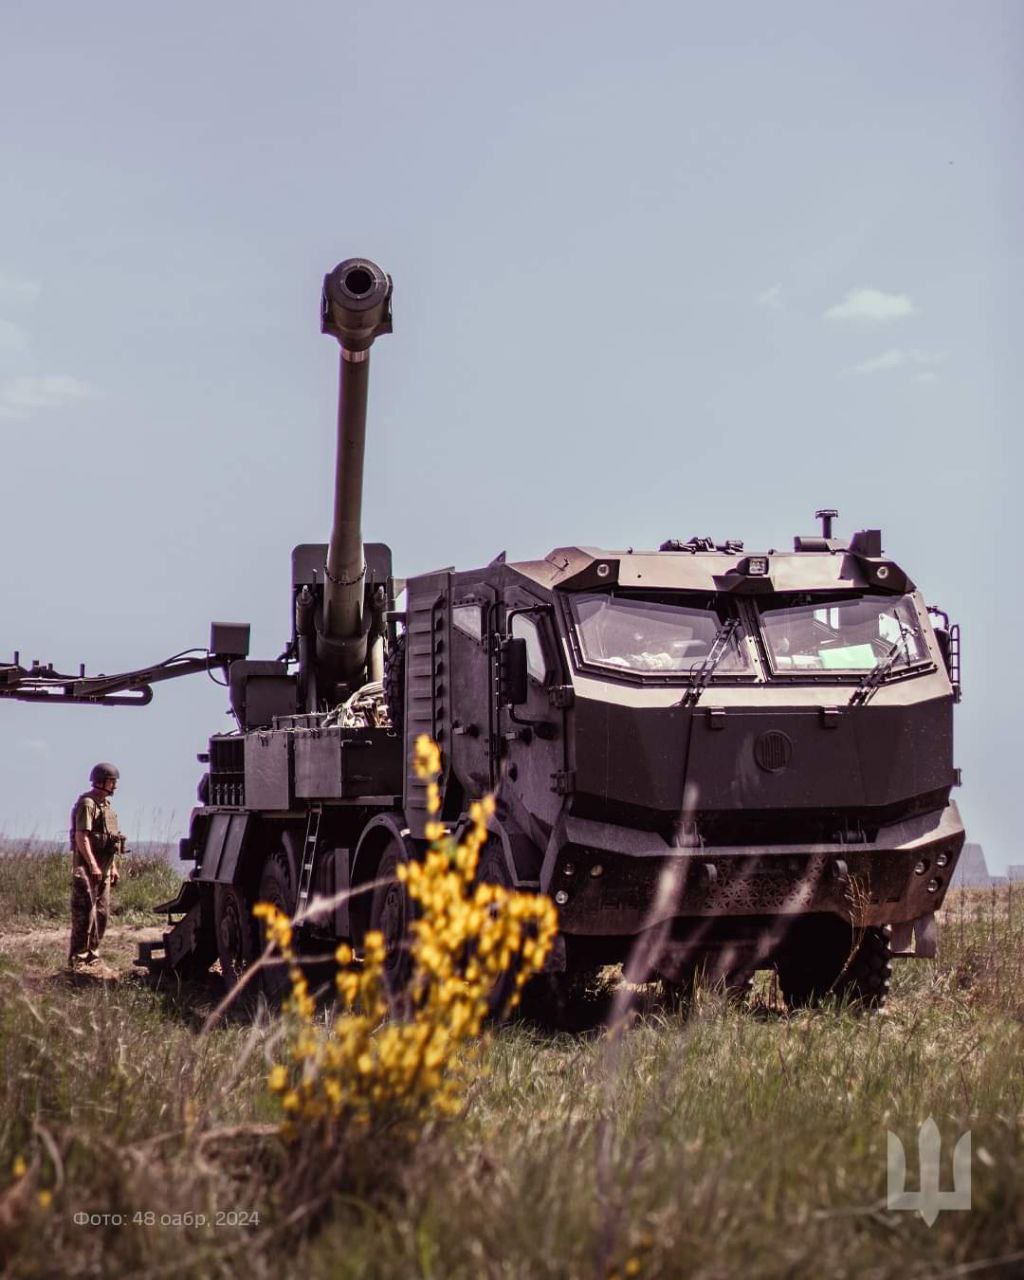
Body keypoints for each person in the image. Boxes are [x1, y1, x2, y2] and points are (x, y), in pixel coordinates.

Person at [68, 762, 124, 969]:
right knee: (85, 914)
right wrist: (92, 865)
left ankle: (93, 955)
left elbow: (111, 841)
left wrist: (113, 867)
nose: (115, 786)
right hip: (88, 870)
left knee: (101, 914)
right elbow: (81, 836)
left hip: (104, 869)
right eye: (112, 781)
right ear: (101, 781)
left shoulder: (106, 806)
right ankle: (79, 959)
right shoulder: (87, 804)